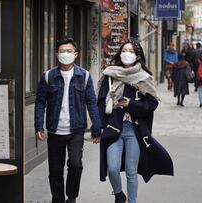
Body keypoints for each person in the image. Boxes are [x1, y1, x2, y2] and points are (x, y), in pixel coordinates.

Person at [97, 39, 174, 203]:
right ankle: (119, 194)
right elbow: (100, 100)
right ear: (119, 53)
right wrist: (100, 126)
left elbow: (152, 103)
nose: (127, 54)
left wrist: (131, 104)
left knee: (132, 171)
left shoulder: (144, 77)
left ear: (137, 56)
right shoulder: (110, 74)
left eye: (131, 51)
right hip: (113, 127)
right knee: (112, 168)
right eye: (124, 50)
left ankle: (132, 201)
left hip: (135, 130)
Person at [34, 37, 101, 203]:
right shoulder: (48, 76)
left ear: (75, 54)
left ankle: (71, 197)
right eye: (62, 51)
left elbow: (92, 103)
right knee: (55, 170)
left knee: (76, 165)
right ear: (57, 55)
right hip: (55, 131)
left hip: (76, 131)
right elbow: (40, 102)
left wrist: (96, 128)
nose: (66, 54)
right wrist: (38, 126)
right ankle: (57, 199)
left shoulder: (84, 76)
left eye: (69, 51)